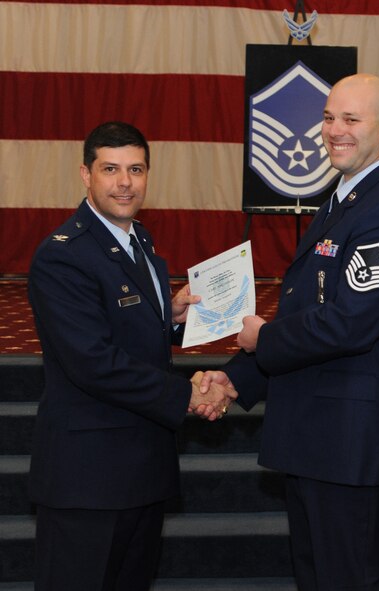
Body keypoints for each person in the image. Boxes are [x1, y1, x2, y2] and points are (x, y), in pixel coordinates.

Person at [198, 74, 379, 590]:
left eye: (351, 119)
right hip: (320, 439)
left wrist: (264, 340)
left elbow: (348, 323)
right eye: (328, 117)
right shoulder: (346, 197)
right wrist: (239, 380)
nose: (334, 130)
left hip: (352, 449)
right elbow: (308, 309)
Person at [27, 121, 236, 591]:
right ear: (86, 175)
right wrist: (187, 394)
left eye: (136, 169)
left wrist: (174, 317)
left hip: (142, 467)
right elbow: (93, 361)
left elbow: (129, 330)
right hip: (88, 477)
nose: (125, 182)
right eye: (111, 169)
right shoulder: (64, 255)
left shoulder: (139, 241)